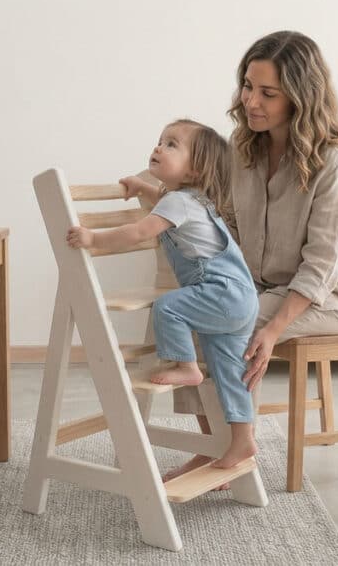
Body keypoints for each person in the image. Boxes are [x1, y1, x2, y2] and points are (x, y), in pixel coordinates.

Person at [164, 30, 338, 483]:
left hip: (328, 300)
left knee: (236, 317)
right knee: (193, 311)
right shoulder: (243, 150)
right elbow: (230, 226)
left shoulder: (335, 164)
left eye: (268, 93)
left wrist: (275, 326)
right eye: (247, 86)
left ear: (301, 96)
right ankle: (216, 442)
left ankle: (237, 443)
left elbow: (322, 265)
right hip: (261, 287)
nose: (251, 101)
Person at [66, 119, 260, 468]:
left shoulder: (179, 204)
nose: (159, 147)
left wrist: (94, 239)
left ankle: (185, 366)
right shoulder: (190, 200)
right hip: (239, 296)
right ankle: (243, 440)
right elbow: (162, 201)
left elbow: (141, 231)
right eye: (160, 140)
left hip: (219, 290)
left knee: (168, 306)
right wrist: (142, 187)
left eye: (172, 145)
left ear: (195, 169)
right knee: (230, 372)